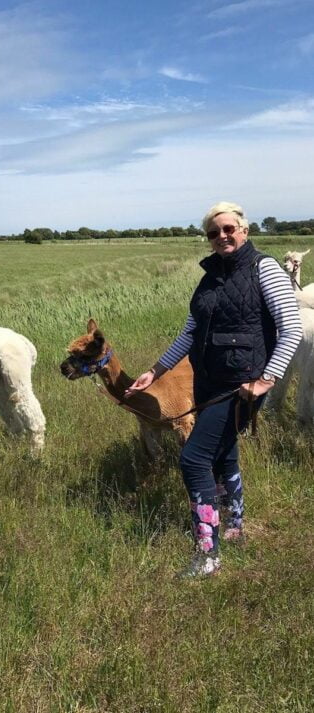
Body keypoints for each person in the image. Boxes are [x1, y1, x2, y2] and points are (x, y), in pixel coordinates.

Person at [126, 201, 302, 578]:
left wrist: (265, 380)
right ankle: (235, 524)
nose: (222, 236)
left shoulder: (264, 268)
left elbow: (291, 328)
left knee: (192, 459)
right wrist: (156, 370)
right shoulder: (209, 278)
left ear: (244, 230)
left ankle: (208, 553)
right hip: (208, 381)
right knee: (223, 454)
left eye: (228, 228)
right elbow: (190, 332)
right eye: (213, 232)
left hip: (242, 388)